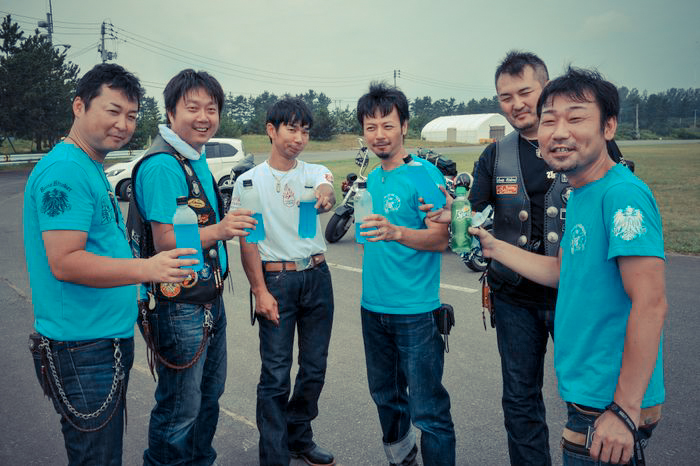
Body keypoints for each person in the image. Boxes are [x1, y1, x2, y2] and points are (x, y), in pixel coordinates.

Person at [471, 67, 667, 465]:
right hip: (589, 396)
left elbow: (651, 304)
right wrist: (494, 247)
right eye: (550, 121)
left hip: (609, 404)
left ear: (608, 127)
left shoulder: (622, 195)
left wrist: (625, 409)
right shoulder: (580, 193)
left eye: (576, 119)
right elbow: (562, 272)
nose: (559, 132)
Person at [23, 63, 196, 465]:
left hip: (100, 341)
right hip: (82, 346)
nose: (123, 124)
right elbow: (65, 262)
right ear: (79, 106)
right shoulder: (66, 170)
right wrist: (147, 268)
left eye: (132, 115)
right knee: (97, 458)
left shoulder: (88, 164)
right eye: (113, 111)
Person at [128, 69, 255, 466]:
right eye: (193, 108)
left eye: (211, 109)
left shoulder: (192, 156)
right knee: (180, 406)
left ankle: (200, 460)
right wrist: (221, 229)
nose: (203, 117)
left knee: (207, 395)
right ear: (170, 112)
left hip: (205, 296)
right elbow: (165, 240)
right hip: (178, 304)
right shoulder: (164, 165)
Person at [232, 97, 336, 466]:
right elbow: (249, 241)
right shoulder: (249, 183)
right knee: (276, 375)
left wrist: (326, 194)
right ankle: (274, 457)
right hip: (277, 280)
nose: (299, 138)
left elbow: (326, 186)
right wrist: (259, 291)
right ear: (271, 130)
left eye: (305, 131)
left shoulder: (312, 172)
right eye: (292, 129)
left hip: (317, 277)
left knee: (314, 368)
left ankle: (298, 437)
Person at [356, 82, 456, 466]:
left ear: (404, 126)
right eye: (371, 127)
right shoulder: (373, 177)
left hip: (416, 310)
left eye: (387, 125)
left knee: (428, 409)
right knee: (386, 398)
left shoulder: (423, 175)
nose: (379, 134)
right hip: (373, 308)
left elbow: (441, 238)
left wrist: (397, 233)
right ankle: (402, 460)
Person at [467, 51, 559, 465]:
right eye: (506, 97)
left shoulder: (582, 143)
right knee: (520, 399)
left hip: (576, 295)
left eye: (525, 92)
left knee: (589, 397)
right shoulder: (495, 155)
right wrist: (452, 215)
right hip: (513, 298)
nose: (517, 104)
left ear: (547, 88)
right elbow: (472, 211)